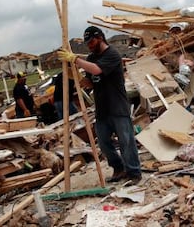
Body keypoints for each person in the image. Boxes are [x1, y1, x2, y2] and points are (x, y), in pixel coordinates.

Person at [57, 26, 142, 184]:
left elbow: (97, 71)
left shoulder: (112, 54)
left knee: (126, 141)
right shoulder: (91, 58)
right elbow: (91, 82)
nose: (89, 44)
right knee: (103, 142)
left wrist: (75, 59)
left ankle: (134, 172)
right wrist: (78, 78)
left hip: (117, 106)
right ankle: (118, 168)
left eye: (92, 41)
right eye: (87, 42)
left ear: (100, 37)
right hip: (102, 108)